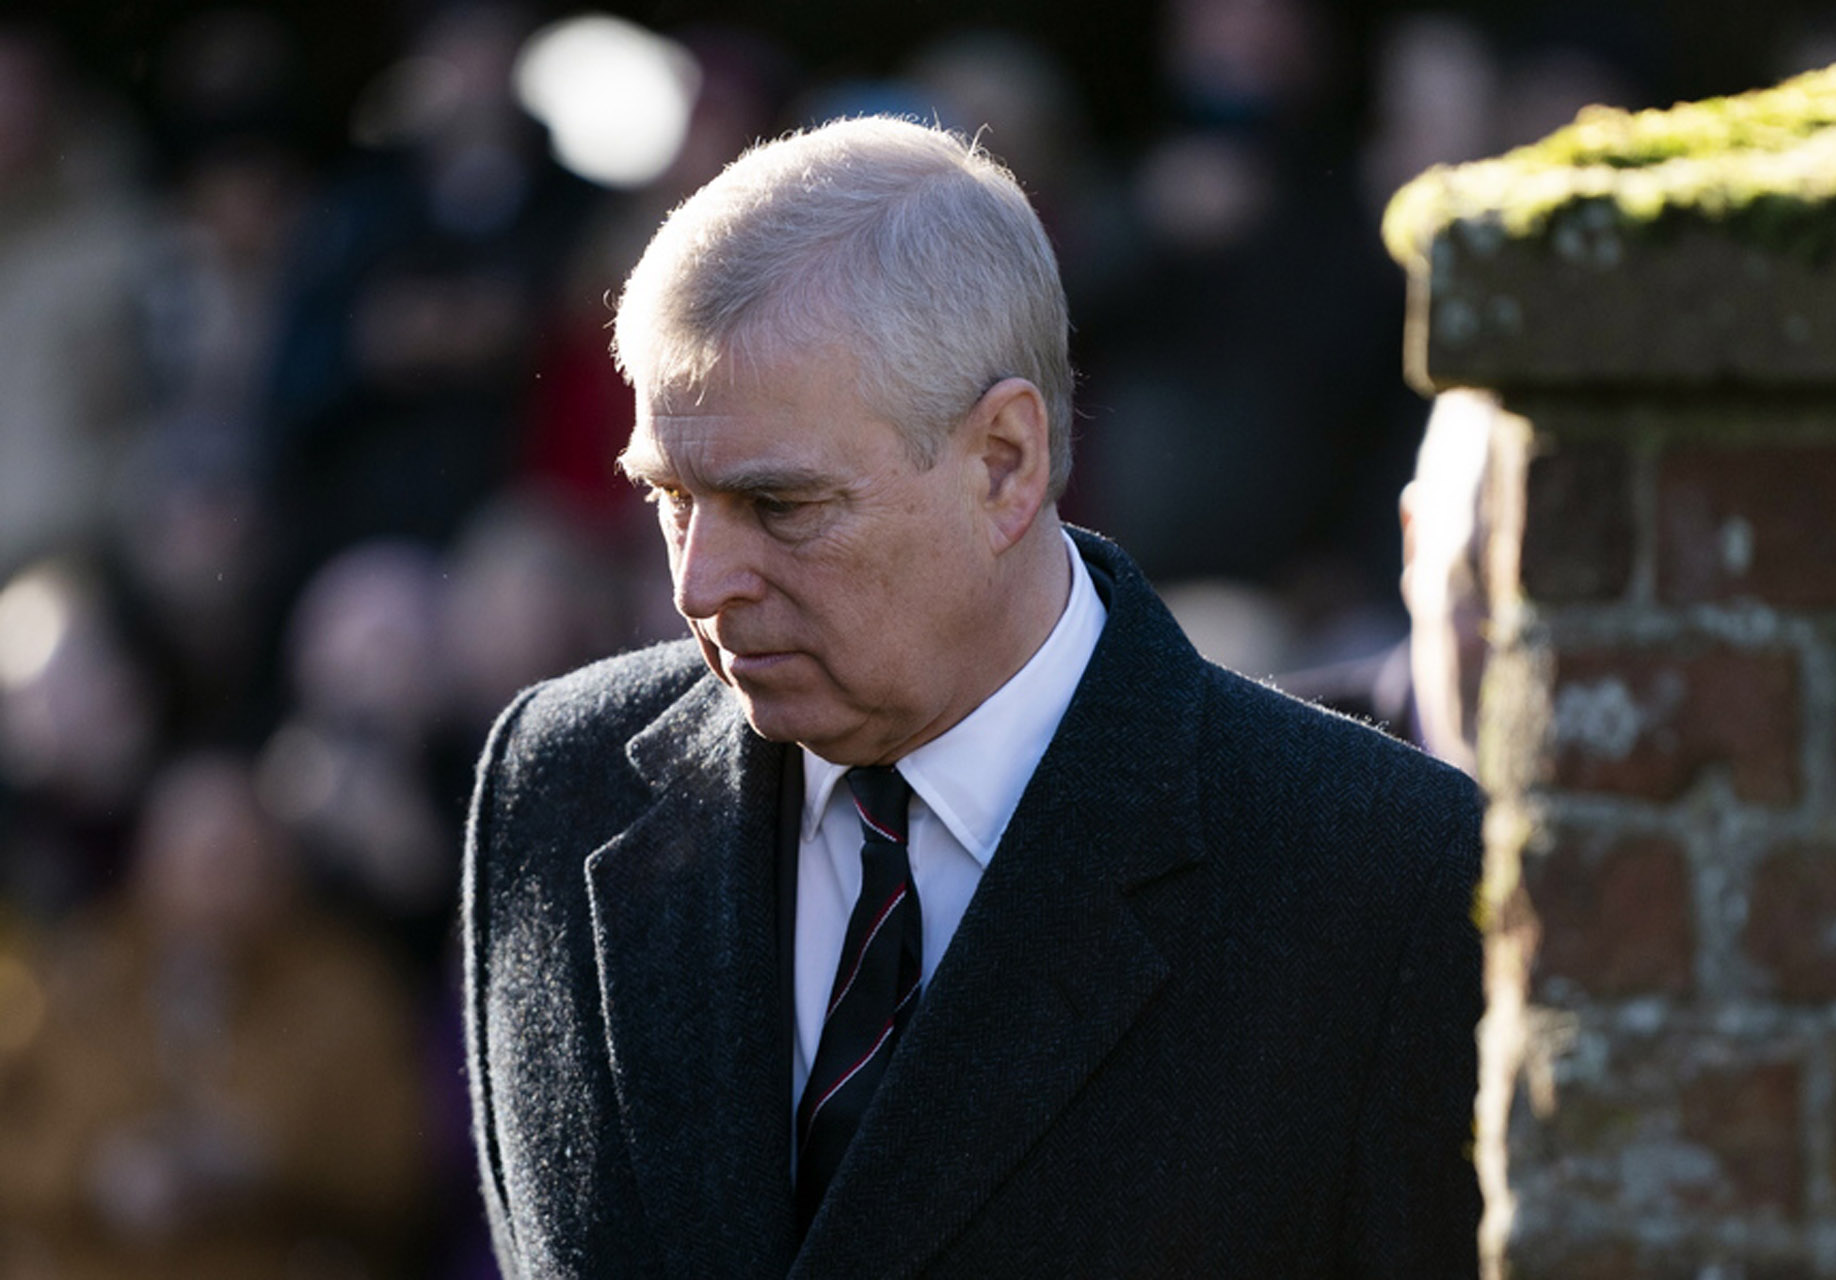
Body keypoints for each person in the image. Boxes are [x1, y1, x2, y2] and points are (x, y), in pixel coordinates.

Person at [463, 116, 1483, 1278]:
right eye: (670, 497)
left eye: (781, 506)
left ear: (1005, 461)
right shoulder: (558, 785)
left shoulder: (1381, 876)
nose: (700, 582)